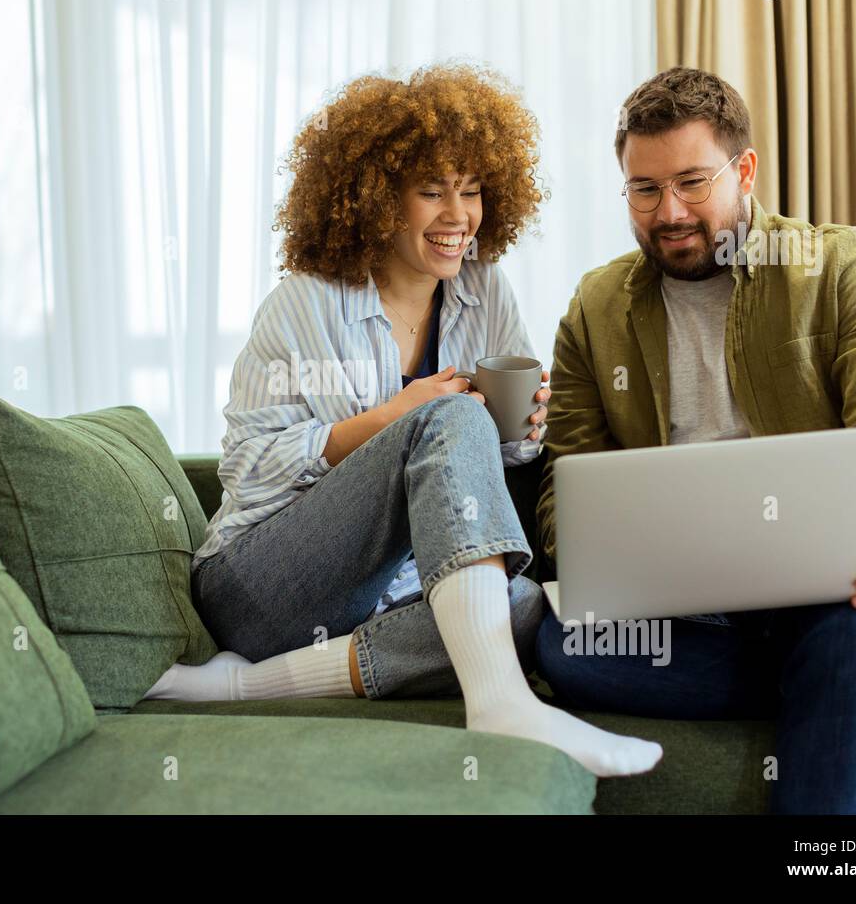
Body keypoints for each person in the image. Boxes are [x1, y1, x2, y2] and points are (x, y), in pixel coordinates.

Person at [145, 63, 663, 778]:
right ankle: (503, 705)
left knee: (521, 610)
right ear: (374, 199)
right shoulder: (305, 302)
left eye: (473, 190)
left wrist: (520, 434)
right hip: (265, 582)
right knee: (446, 418)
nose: (459, 217)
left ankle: (243, 684)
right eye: (431, 192)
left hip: (393, 595)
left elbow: (482, 468)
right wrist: (390, 420)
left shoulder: (483, 291)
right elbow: (247, 466)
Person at [534, 65, 856, 812]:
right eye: (644, 190)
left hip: (837, 586)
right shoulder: (595, 305)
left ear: (745, 170)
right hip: (682, 604)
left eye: (692, 183)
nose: (668, 211)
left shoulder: (842, 267)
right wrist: (587, 552)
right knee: (563, 646)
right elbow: (566, 472)